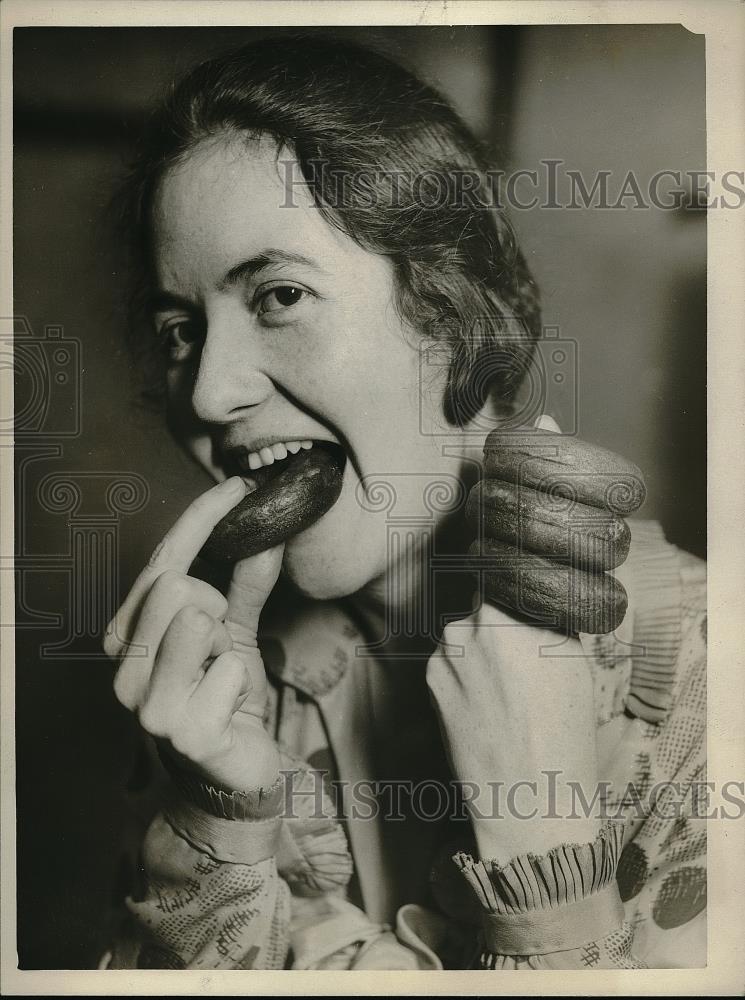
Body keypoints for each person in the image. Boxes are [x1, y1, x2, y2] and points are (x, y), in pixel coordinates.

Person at [101, 36, 706, 970]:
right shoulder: (223, 705)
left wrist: (540, 843)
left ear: (456, 312)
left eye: (279, 295)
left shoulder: (715, 694)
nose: (208, 394)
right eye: (181, 331)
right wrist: (216, 821)